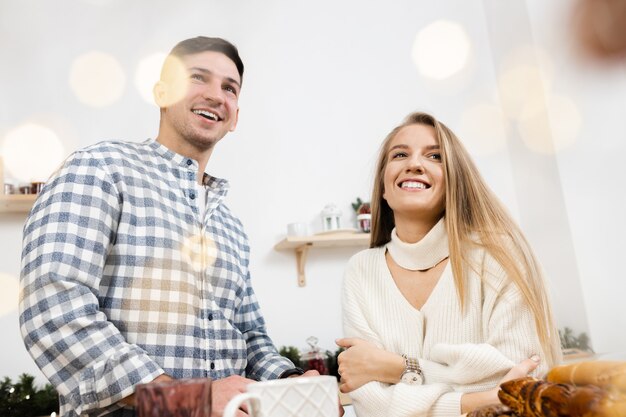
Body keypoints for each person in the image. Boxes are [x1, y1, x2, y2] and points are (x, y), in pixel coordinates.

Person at [19, 36, 309, 417]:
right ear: (161, 92)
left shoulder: (230, 226)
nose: (215, 95)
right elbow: (53, 307)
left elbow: (249, 335)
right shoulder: (100, 169)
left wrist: (291, 382)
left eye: (229, 88)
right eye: (197, 78)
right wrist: (186, 400)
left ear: (235, 115)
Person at [336, 111, 562, 417]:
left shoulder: (501, 255)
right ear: (384, 188)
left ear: (456, 179)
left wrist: (400, 368)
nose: (414, 163)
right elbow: (370, 400)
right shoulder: (361, 271)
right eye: (400, 154)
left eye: (435, 156)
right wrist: (478, 400)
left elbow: (523, 381)